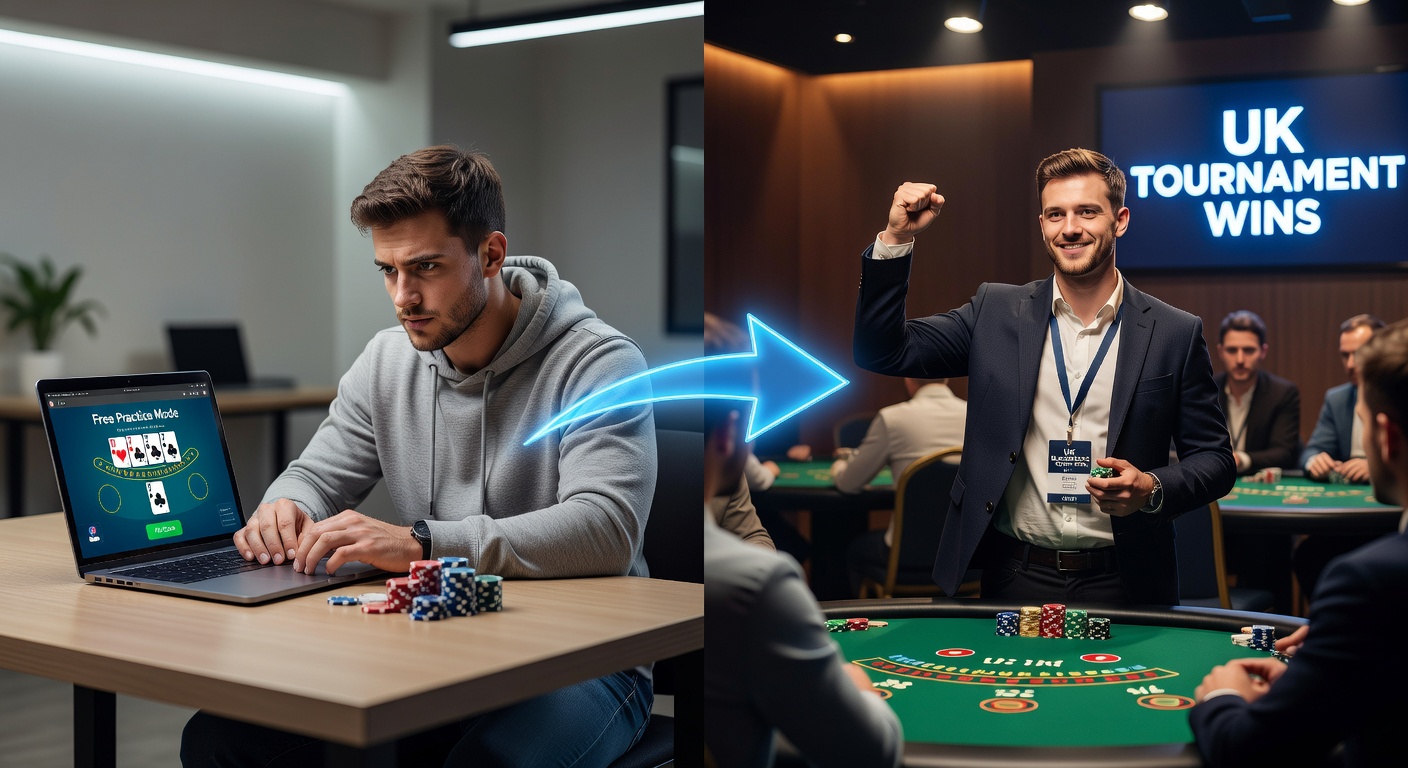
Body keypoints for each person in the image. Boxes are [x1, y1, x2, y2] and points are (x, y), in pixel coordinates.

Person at [181, 146, 657, 767]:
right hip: (437, 647)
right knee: (220, 740)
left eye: (425, 268)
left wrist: (422, 542)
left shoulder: (600, 363)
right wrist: (285, 505)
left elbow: (606, 529)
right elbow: (315, 474)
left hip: (586, 660)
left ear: (490, 254)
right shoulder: (386, 360)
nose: (403, 296)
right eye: (387, 270)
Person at [853, 148, 1235, 604]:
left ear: (1121, 220)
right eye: (1056, 214)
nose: (1069, 227)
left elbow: (1215, 460)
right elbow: (883, 350)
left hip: (1127, 579)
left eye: (1087, 212)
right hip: (1013, 575)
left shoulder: (1175, 331)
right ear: (1042, 225)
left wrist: (1152, 488)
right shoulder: (994, 312)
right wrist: (895, 239)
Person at [1190, 318, 1408, 767]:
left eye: (1363, 424)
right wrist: (1332, 659)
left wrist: (1224, 693)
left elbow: (1247, 750)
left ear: (1385, 438)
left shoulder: (1368, 581)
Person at [704, 315, 902, 768]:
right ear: (731, 429)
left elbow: (753, 536)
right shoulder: (759, 586)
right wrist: (861, 690)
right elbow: (873, 752)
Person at [838, 378, 967, 594]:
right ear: (947, 378)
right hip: (964, 561)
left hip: (904, 560)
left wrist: (840, 467)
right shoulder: (976, 414)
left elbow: (848, 483)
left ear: (908, 379)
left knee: (852, 549)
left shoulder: (892, 418)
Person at [1301, 314, 1387, 483]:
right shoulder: (1337, 399)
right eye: (1345, 355)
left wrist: (1375, 467)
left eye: (1358, 353)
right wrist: (1315, 461)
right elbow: (1311, 451)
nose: (1350, 364)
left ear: (1381, 350)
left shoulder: (1401, 395)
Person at [1213, 310, 1300, 474]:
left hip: (1258, 482)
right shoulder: (1206, 390)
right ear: (1221, 352)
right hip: (1215, 481)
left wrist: (1241, 459)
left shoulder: (1282, 393)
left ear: (1263, 351)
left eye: (1248, 350)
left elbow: (1284, 453)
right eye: (1232, 350)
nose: (1240, 359)